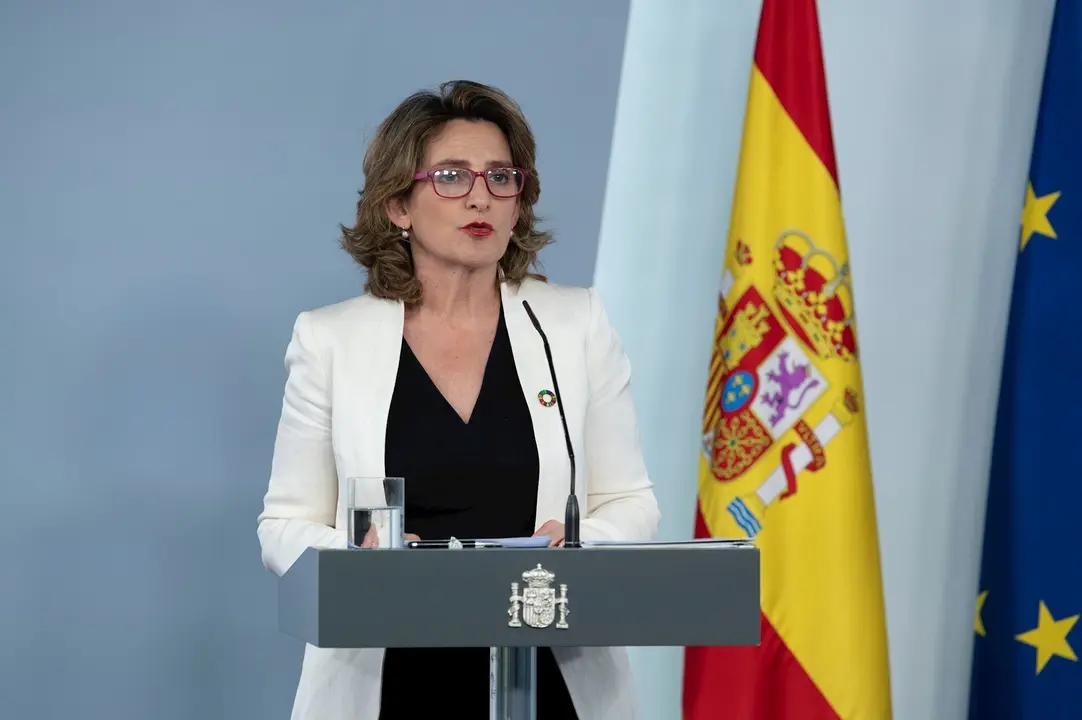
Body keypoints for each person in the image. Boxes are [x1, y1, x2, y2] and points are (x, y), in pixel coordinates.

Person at [256, 79, 661, 720]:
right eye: (450, 176)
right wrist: (363, 558)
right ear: (398, 206)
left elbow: (631, 503)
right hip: (391, 676)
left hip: (550, 663)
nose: (481, 196)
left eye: (502, 177)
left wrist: (584, 542)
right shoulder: (331, 339)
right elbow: (282, 527)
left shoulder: (575, 325)